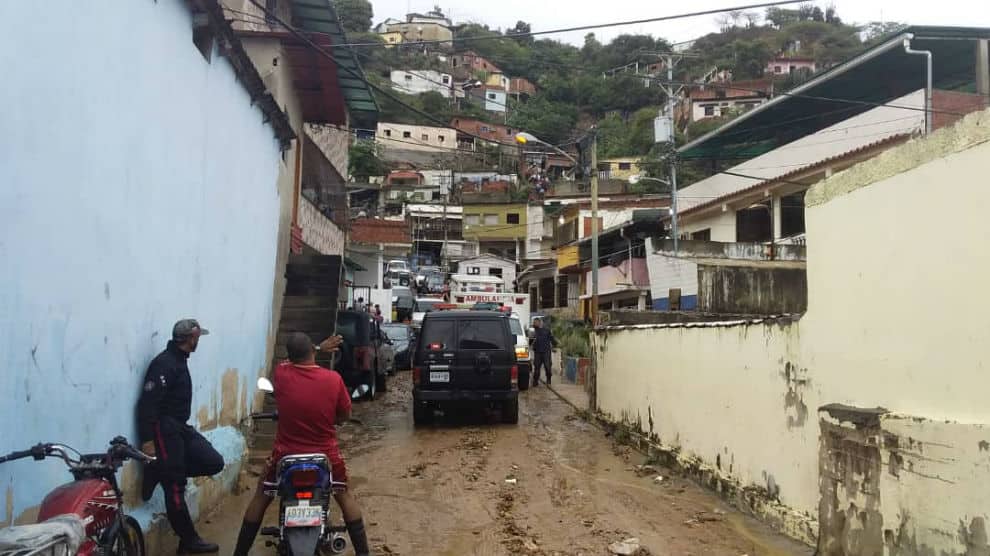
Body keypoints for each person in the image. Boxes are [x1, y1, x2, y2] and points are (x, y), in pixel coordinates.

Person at [232, 333, 370, 556]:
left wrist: (318, 347)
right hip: (326, 456)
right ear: (312, 352)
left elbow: (288, 361)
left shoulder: (282, 374)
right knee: (344, 495)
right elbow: (344, 415)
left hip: (284, 457)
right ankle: (363, 553)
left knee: (262, 496)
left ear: (290, 355)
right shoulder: (333, 379)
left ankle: (239, 553)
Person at [136, 319, 224, 554]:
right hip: (164, 430)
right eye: (198, 338)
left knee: (213, 461)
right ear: (191, 338)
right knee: (175, 486)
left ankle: (160, 469)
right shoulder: (164, 364)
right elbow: (147, 404)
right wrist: (148, 441)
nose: (199, 342)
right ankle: (189, 539)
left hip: (179, 427)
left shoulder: (179, 360)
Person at [530, 318, 558, 387]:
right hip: (537, 352)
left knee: (548, 367)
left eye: (535, 322)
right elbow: (530, 342)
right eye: (534, 322)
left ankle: (549, 380)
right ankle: (535, 381)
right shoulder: (534, 331)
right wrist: (531, 340)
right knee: (536, 368)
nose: (534, 324)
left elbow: (552, 339)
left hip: (546, 352)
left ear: (540, 323)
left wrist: (554, 346)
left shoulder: (547, 330)